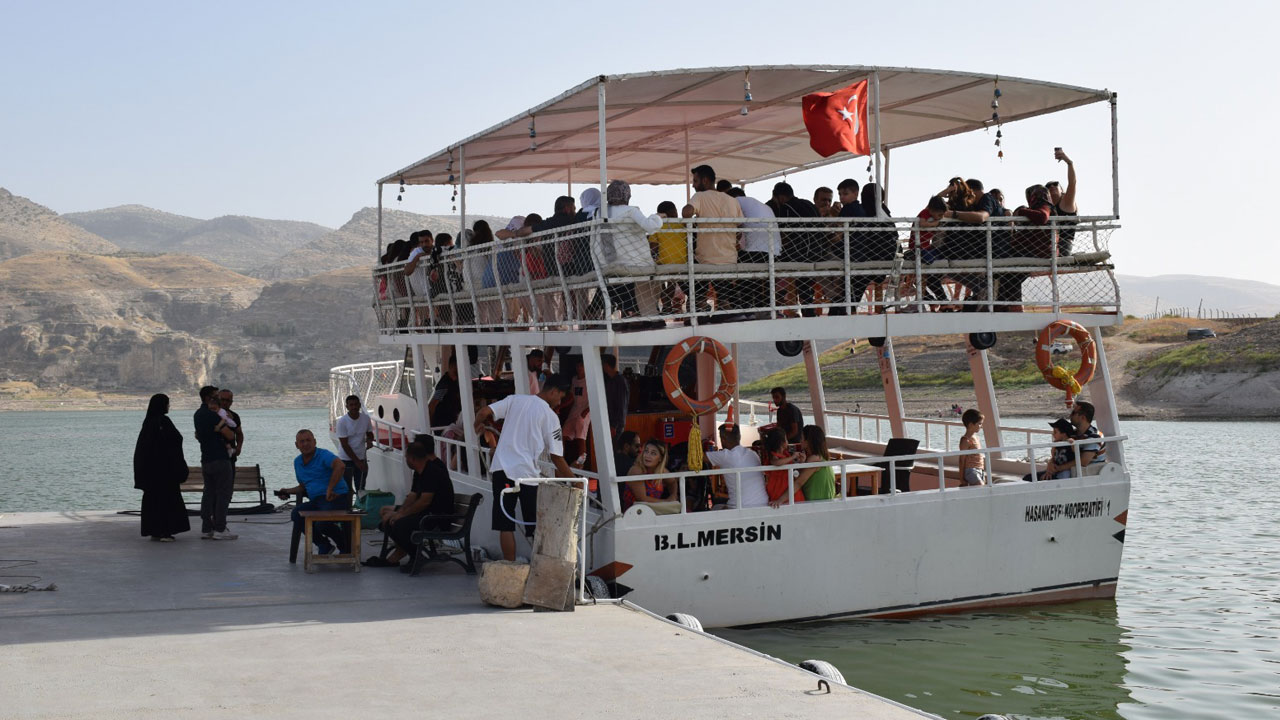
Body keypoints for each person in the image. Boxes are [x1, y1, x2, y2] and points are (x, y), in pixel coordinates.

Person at [473, 375, 574, 562]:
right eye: (560, 397)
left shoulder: (515, 400)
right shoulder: (550, 417)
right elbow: (556, 457)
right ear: (553, 392)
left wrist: (476, 426)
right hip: (527, 475)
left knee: (505, 524)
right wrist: (576, 481)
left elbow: (483, 412)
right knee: (535, 527)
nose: (559, 402)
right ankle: (540, 568)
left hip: (502, 469)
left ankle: (510, 568)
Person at [363, 437, 455, 570]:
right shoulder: (419, 472)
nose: (405, 460)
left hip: (437, 518)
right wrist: (399, 512)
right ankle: (404, 555)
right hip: (427, 514)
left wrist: (401, 515)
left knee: (399, 524)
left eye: (406, 457)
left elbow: (424, 501)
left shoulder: (432, 471)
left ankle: (416, 556)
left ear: (412, 459)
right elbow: (412, 496)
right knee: (390, 521)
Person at [278, 429, 351, 555]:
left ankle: (344, 547)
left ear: (315, 442)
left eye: (308, 440)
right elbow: (303, 486)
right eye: (302, 441)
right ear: (297, 445)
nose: (305, 444)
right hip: (317, 501)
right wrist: (287, 491)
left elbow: (340, 466)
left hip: (336, 497)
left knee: (321, 523)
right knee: (296, 514)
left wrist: (330, 488)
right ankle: (323, 544)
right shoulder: (298, 462)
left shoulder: (324, 455)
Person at [596, 180, 661, 317]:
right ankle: (650, 314)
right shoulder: (631, 211)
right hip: (636, 263)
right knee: (655, 279)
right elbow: (650, 226)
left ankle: (628, 313)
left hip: (609, 262)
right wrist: (658, 216)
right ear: (627, 196)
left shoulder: (600, 213)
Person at [133, 393, 190, 542]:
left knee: (153, 502)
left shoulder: (148, 423)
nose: (168, 406)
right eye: (167, 403)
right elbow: (174, 441)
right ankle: (165, 531)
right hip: (164, 473)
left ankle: (155, 531)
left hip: (151, 473)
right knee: (166, 502)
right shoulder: (162, 422)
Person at [767, 182, 821, 314]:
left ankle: (777, 306)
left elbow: (784, 234)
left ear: (780, 197)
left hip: (802, 254)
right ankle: (805, 312)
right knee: (806, 287)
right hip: (819, 251)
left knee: (773, 265)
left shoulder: (786, 207)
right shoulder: (808, 203)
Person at [725, 187, 780, 313]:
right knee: (759, 278)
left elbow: (731, 226)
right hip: (775, 251)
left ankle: (745, 309)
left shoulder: (735, 201)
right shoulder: (759, 204)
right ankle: (766, 308)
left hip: (756, 251)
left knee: (735, 269)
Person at [193, 385, 236, 540]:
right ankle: (220, 528)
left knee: (208, 493)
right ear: (207, 398)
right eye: (215, 395)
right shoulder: (213, 414)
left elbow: (199, 435)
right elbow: (230, 435)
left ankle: (206, 528)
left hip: (206, 459)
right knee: (223, 494)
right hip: (220, 458)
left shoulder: (197, 415)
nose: (218, 398)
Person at [681, 164, 743, 269]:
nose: (693, 186)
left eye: (695, 181)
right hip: (730, 260)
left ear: (704, 180)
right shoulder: (733, 201)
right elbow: (740, 230)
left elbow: (686, 213)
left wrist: (693, 222)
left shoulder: (700, 196)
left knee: (689, 278)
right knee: (725, 286)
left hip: (706, 261)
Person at [705, 423, 768, 509]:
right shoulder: (752, 454)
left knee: (715, 508)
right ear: (739, 437)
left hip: (741, 507)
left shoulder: (726, 456)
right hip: (763, 503)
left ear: (722, 440)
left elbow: (697, 458)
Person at [621, 439, 678, 513]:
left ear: (660, 458)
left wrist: (673, 495)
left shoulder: (661, 470)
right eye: (646, 451)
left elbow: (672, 482)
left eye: (653, 453)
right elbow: (643, 498)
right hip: (634, 515)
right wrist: (667, 502)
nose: (648, 456)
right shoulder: (636, 470)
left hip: (654, 513)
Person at [336, 394, 374, 494]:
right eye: (351, 405)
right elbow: (344, 445)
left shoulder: (366, 419)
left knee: (361, 487)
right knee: (346, 488)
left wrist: (370, 440)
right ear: (347, 407)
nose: (354, 407)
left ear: (359, 405)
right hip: (346, 459)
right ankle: (346, 508)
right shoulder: (342, 422)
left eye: (356, 404)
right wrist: (357, 462)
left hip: (362, 457)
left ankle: (360, 507)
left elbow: (370, 433)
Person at [560, 357, 590, 467]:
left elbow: (595, 398)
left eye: (581, 366)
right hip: (575, 410)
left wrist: (586, 411)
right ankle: (560, 460)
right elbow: (572, 397)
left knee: (580, 438)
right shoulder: (574, 379)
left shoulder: (590, 380)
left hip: (585, 411)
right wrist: (560, 406)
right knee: (563, 434)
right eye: (577, 366)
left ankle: (581, 463)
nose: (579, 368)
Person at [1047, 148, 1078, 255]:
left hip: (1063, 245)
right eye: (1048, 186)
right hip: (1048, 244)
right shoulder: (1048, 207)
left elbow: (1072, 183)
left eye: (1055, 184)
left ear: (1061, 190)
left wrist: (1069, 162)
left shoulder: (1066, 203)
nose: (1051, 186)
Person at [794, 425, 836, 501]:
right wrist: (802, 463)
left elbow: (798, 482)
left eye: (802, 438)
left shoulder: (814, 459)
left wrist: (780, 500)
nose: (800, 441)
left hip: (816, 503)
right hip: (826, 501)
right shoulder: (822, 457)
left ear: (807, 442)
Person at [764, 428, 803, 508]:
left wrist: (800, 461)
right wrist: (792, 457)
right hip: (779, 488)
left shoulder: (786, 454)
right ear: (781, 442)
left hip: (788, 486)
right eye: (786, 438)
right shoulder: (773, 456)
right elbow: (776, 463)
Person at [1071, 401, 1108, 469]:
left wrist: (1059, 468)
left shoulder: (1095, 436)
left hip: (1090, 474)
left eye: (1073, 413)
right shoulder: (1073, 434)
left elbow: (1083, 462)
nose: (1070, 415)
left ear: (1083, 417)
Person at [428, 354, 462, 429]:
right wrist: (430, 428)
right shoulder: (444, 385)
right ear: (453, 366)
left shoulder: (455, 382)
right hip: (442, 425)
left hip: (450, 424)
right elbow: (432, 406)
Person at [601, 353, 629, 440]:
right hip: (609, 421)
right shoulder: (609, 381)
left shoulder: (620, 381)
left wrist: (615, 425)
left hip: (616, 424)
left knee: (615, 447)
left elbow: (622, 404)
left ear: (606, 365)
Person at [958, 408, 986, 486]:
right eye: (979, 424)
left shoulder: (976, 438)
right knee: (980, 487)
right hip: (971, 470)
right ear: (971, 425)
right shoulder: (965, 440)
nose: (981, 426)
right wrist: (961, 478)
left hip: (980, 469)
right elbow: (962, 460)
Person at [217, 388, 243, 462]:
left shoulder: (235, 416)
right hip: (214, 458)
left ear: (231, 402)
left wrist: (239, 447)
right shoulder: (211, 415)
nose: (225, 402)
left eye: (228, 400)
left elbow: (239, 433)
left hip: (230, 457)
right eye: (222, 399)